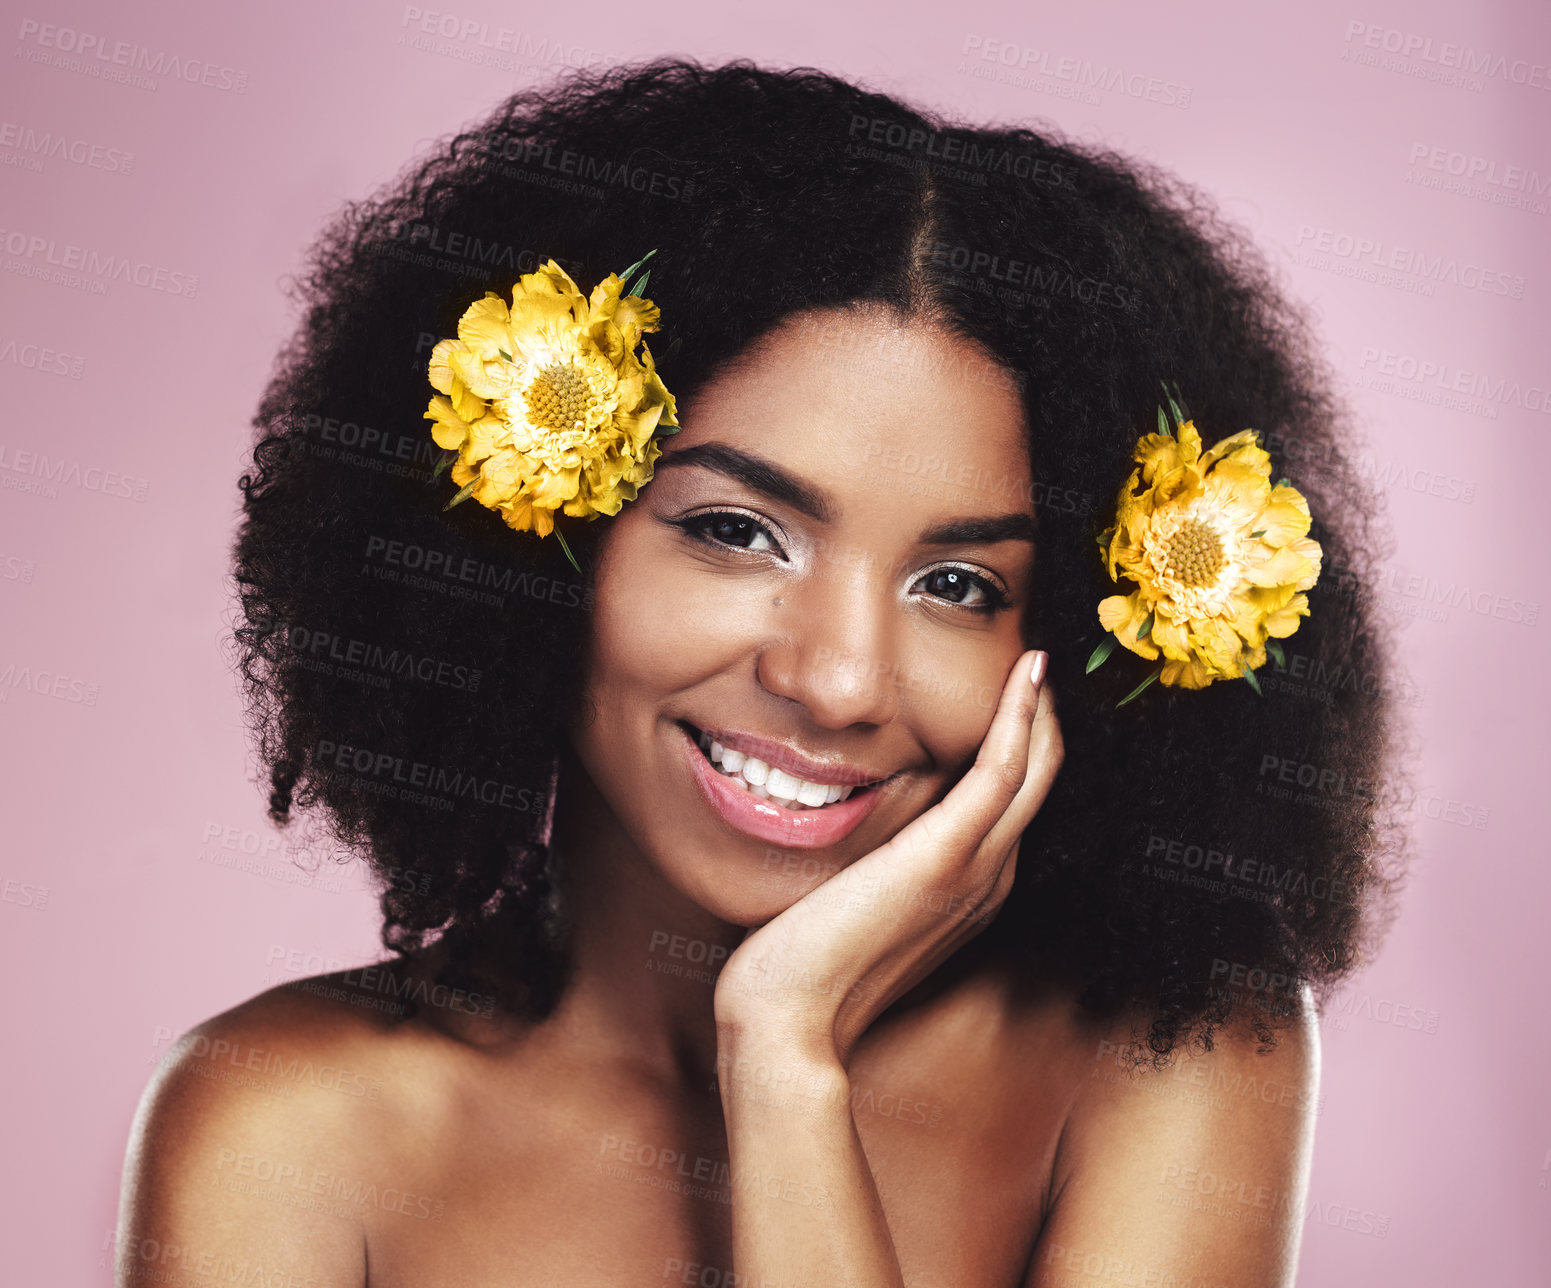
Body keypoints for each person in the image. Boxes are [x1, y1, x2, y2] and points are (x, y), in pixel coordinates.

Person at [116, 57, 1408, 1287]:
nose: (840, 681)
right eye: (737, 533)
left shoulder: (1168, 1046)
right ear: (529, 536)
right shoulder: (283, 1119)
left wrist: (786, 1063)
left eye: (959, 587)